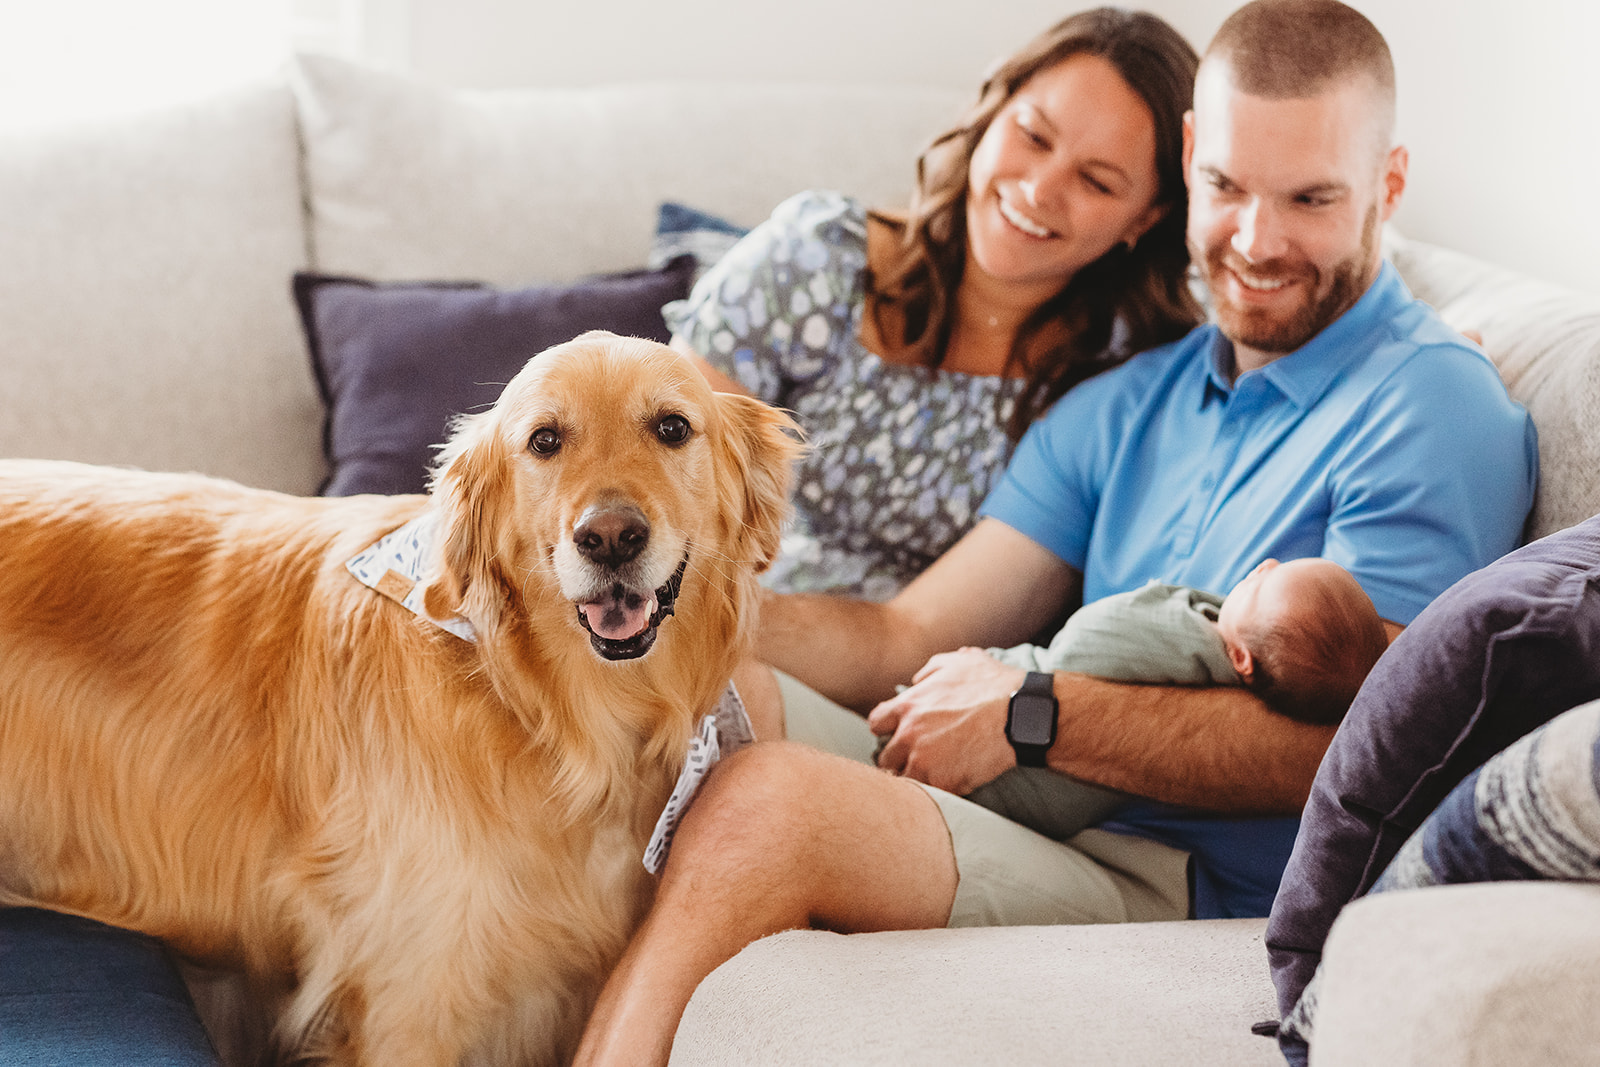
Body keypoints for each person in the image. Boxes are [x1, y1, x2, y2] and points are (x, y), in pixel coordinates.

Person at [572, 3, 1539, 1063]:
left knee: (773, 802)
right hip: (1043, 810)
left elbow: (1370, 746)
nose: (1257, 242)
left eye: (1311, 198)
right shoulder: (1129, 396)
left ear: (1386, 187)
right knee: (702, 681)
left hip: (1187, 876)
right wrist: (655, 604)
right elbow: (908, 633)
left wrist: (1039, 712)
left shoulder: (1428, 404)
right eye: (1225, 188)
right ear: (1186, 165)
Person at [668, 9, 1203, 599]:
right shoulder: (816, 259)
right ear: (991, 110)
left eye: (1096, 181)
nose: (1038, 189)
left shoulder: (1135, 376)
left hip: (939, 671)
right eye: (1033, 136)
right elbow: (661, 473)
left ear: (1146, 219)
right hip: (729, 614)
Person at [970, 557, 1389, 840]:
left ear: (1241, 659)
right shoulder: (1239, 675)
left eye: (1263, 585)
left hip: (1022, 777)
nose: (1265, 565)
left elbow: (1085, 642)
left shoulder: (1188, 640)